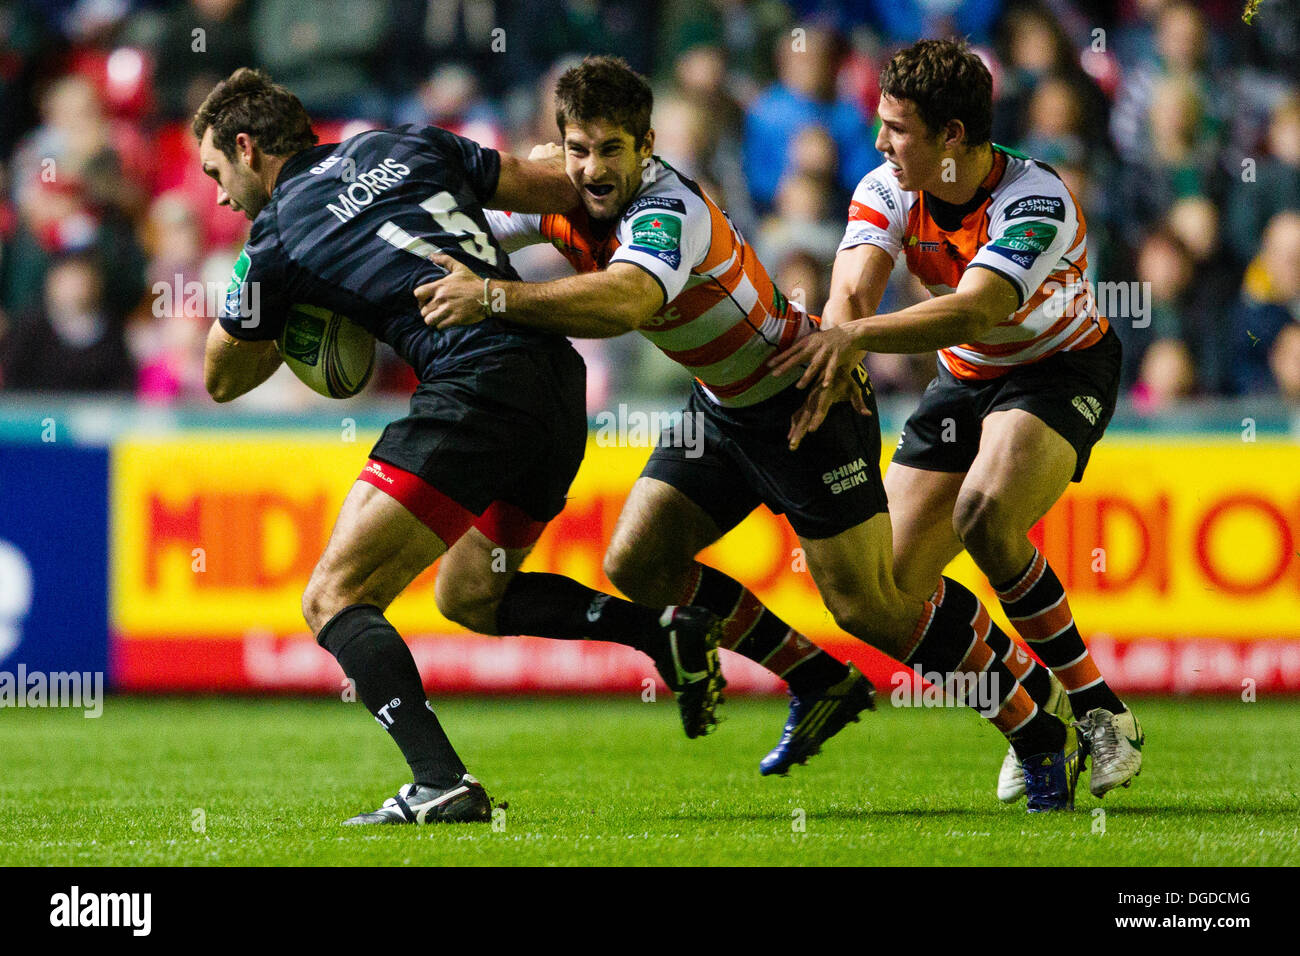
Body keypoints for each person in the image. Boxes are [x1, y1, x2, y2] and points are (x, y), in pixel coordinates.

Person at [417, 56, 1080, 811]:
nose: (593, 169)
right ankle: (816, 677)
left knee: (874, 608)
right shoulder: (559, 192)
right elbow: (469, 227)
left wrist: (493, 299)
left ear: (647, 146)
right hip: (723, 407)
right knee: (638, 562)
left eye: (611, 150)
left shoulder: (671, 212)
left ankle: (1032, 725)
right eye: (578, 149)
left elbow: (625, 302)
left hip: (802, 401)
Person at [194, 68, 725, 826]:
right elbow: (563, 190)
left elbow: (220, 376)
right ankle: (663, 633)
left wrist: (290, 306)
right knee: (474, 594)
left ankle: (440, 782)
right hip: (553, 379)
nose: (219, 194)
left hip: (474, 388)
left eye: (217, 171)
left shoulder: (275, 234)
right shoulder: (406, 141)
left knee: (334, 597)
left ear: (246, 147)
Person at [769, 39, 1143, 804]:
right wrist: (839, 349)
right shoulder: (886, 186)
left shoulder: (1036, 200)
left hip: (1057, 367)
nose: (879, 143)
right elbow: (850, 296)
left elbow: (978, 307)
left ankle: (1101, 708)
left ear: (954, 138)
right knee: (886, 590)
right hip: (966, 375)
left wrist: (855, 340)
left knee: (985, 516)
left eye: (897, 128)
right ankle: (1029, 702)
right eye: (880, 123)